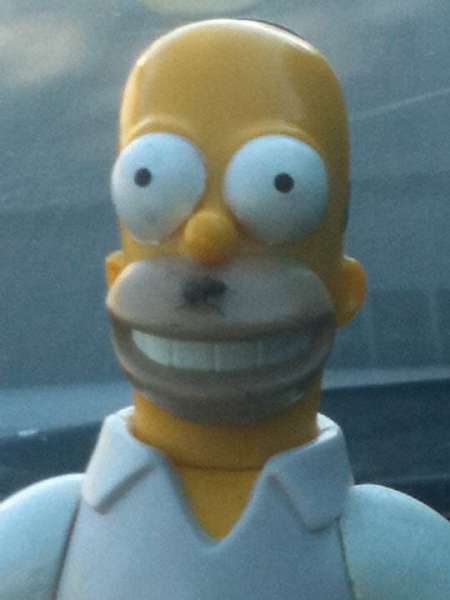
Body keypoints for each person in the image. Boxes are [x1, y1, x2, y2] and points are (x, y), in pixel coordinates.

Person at [1, 19, 449, 600]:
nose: (206, 240)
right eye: (148, 183)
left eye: (281, 186)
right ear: (113, 279)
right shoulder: (39, 537)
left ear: (346, 291)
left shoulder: (394, 551)